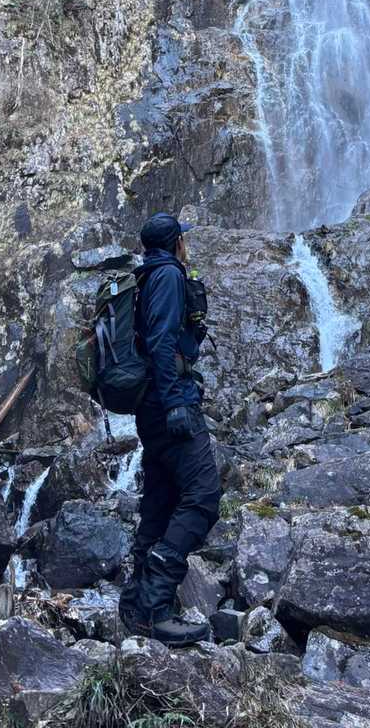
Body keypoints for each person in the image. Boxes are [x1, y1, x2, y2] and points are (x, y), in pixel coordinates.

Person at [118, 211, 221, 644]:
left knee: (162, 500)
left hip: (152, 406)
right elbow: (161, 340)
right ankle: (158, 608)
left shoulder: (146, 276)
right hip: (169, 403)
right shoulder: (168, 276)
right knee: (203, 495)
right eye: (184, 239)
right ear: (177, 242)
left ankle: (135, 606)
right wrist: (177, 401)